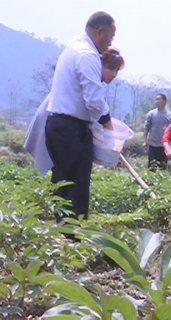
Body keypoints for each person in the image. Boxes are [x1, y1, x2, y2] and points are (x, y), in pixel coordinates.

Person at [45, 11, 116, 224]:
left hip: (58, 126)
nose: (111, 42)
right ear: (100, 32)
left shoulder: (73, 47)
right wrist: (109, 127)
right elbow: (94, 99)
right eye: (111, 37)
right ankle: (73, 239)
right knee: (76, 185)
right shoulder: (87, 55)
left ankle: (61, 234)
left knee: (62, 183)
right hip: (71, 129)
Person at [24, 46, 124, 178]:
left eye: (117, 70)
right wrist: (110, 135)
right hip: (65, 129)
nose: (114, 74)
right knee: (71, 179)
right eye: (110, 68)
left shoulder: (91, 83)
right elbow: (97, 106)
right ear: (99, 64)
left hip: (62, 128)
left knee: (63, 178)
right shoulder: (88, 79)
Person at [143, 94, 171, 170]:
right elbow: (146, 128)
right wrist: (145, 141)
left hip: (164, 147)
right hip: (153, 145)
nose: (156, 101)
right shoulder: (151, 114)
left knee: (163, 167)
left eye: (159, 99)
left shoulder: (170, 116)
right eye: (156, 99)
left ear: (165, 101)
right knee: (151, 166)